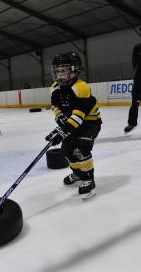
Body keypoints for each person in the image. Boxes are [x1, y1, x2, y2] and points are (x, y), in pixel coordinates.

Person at [45, 51, 102, 198]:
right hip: (73, 123)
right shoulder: (54, 88)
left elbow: (79, 116)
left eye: (62, 70)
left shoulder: (81, 87)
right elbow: (55, 106)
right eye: (56, 71)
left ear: (73, 70)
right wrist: (60, 119)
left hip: (89, 123)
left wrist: (62, 131)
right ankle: (78, 174)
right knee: (66, 151)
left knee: (81, 149)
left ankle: (89, 179)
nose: (58, 74)